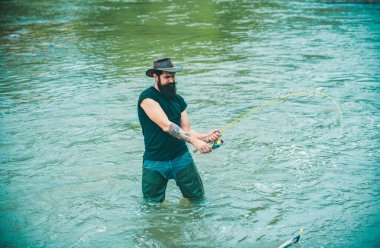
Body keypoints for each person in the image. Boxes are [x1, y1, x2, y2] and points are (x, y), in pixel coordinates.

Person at [137, 58, 221, 203]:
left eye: (173, 76)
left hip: (181, 158)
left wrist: (206, 137)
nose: (171, 80)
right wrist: (195, 141)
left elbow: (186, 130)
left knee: (198, 201)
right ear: (155, 77)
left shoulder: (178, 100)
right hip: (155, 161)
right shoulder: (147, 98)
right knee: (151, 207)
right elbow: (167, 126)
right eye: (167, 77)